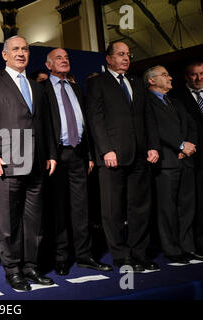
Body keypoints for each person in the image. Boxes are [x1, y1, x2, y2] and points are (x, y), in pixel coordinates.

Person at [0, 35, 57, 291]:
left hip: (37, 163)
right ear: (5, 54)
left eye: (25, 49)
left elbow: (46, 125)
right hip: (7, 163)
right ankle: (13, 270)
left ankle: (31, 267)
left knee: (34, 222)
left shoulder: (37, 86)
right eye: (15, 49)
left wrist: (51, 154)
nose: (21, 53)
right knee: (8, 223)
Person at [86, 41, 161, 271]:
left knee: (139, 207)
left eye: (128, 54)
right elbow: (95, 119)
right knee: (113, 209)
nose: (126, 58)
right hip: (112, 156)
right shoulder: (97, 83)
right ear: (108, 59)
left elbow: (147, 117)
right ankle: (121, 255)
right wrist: (106, 149)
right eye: (120, 54)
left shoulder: (137, 83)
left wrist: (152, 145)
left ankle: (139, 253)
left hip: (139, 154)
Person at [43, 48, 112, 275]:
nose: (64, 60)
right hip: (56, 156)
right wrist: (48, 154)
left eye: (66, 57)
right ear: (49, 65)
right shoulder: (42, 89)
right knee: (59, 209)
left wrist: (91, 155)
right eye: (59, 58)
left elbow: (88, 123)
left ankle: (84, 255)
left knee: (81, 208)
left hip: (79, 154)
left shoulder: (75, 88)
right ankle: (61, 256)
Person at [144, 65, 202, 264]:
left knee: (187, 207)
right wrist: (179, 145)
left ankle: (188, 247)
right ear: (151, 80)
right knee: (167, 208)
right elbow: (156, 129)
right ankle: (172, 249)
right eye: (164, 75)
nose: (169, 77)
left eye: (168, 74)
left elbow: (191, 124)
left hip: (186, 160)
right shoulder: (146, 102)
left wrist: (189, 145)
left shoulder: (176, 101)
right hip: (167, 162)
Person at [171, 61, 203, 256]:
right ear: (186, 77)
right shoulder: (177, 98)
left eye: (201, 74)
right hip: (193, 157)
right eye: (194, 75)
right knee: (197, 202)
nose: (199, 78)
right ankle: (198, 242)